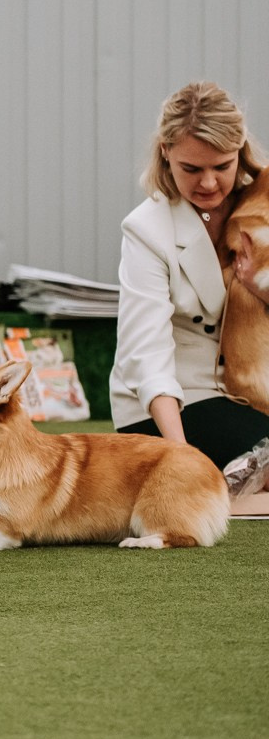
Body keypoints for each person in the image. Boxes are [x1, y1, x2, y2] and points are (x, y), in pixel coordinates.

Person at [110, 82, 269, 514]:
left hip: (251, 392)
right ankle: (209, 497)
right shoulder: (145, 229)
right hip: (171, 403)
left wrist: (259, 287)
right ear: (165, 151)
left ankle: (227, 500)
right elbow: (146, 355)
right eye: (191, 168)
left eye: (222, 165)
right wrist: (178, 460)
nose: (209, 182)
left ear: (240, 150)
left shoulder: (263, 201)